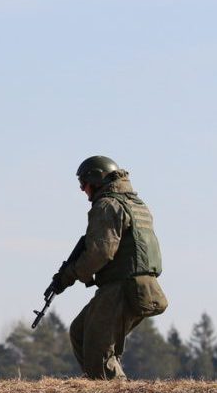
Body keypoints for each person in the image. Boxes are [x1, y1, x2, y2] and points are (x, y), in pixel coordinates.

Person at [49, 156, 168, 379]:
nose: (83, 191)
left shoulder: (107, 205)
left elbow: (100, 253)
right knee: (81, 332)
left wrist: (69, 275)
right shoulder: (135, 203)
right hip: (141, 286)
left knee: (98, 352)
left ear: (95, 180)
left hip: (123, 287)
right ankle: (103, 387)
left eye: (84, 185)